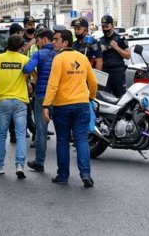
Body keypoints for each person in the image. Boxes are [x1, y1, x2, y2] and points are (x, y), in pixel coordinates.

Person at [42, 29, 98, 187]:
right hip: (82, 104)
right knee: (81, 140)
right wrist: (91, 98)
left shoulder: (59, 59)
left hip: (62, 106)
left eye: (56, 39)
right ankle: (85, 174)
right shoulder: (82, 58)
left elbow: (53, 85)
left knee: (63, 140)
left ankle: (63, 175)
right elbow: (93, 82)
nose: (53, 42)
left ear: (65, 42)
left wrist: (46, 105)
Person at [0, 34, 30, 179]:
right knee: (21, 134)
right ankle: (19, 165)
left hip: (3, 101)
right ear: (21, 47)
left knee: (1, 135)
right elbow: (31, 74)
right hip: (20, 101)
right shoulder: (25, 60)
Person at [23, 28, 57, 172]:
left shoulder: (39, 53)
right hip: (58, 97)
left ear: (44, 39)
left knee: (41, 131)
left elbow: (26, 68)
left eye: (37, 40)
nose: (36, 43)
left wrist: (35, 76)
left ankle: (39, 162)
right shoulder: (59, 55)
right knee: (62, 132)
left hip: (42, 95)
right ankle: (62, 167)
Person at [99, 15, 130, 98]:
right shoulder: (100, 40)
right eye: (103, 27)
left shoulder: (121, 39)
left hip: (117, 72)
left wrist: (116, 48)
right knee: (103, 98)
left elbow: (128, 56)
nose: (105, 29)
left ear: (112, 26)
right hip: (104, 72)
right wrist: (100, 51)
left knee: (121, 97)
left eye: (107, 26)